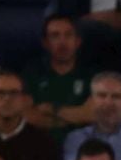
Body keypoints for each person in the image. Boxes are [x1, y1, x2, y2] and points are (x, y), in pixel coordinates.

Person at [22, 15, 98, 144]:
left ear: (78, 41)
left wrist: (52, 110)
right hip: (39, 144)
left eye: (68, 35)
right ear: (45, 43)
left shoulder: (92, 75)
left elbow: (92, 114)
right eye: (55, 36)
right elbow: (27, 116)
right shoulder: (32, 72)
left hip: (82, 146)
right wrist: (74, 117)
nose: (62, 42)